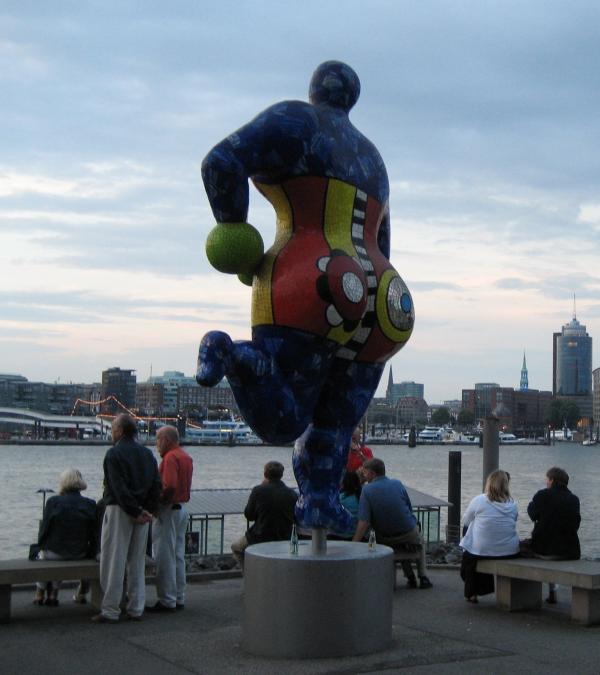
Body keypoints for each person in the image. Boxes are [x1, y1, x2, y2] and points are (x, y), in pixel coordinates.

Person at [196, 61, 414, 534]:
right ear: (352, 96)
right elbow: (383, 239)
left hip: (313, 278)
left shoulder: (296, 121)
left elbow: (221, 161)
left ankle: (232, 354)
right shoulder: (373, 158)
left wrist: (234, 227)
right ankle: (319, 502)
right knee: (335, 422)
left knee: (284, 422)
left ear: (317, 90)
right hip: (383, 299)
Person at [93, 413, 161, 623]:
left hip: (119, 510)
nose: (112, 433)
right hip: (144, 513)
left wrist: (134, 511)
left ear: (120, 431)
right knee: (137, 562)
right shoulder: (147, 454)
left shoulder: (114, 454)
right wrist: (147, 510)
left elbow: (117, 487)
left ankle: (111, 609)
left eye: (113, 429)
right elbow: (156, 485)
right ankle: (136, 608)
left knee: (113, 560)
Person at [352, 458, 432, 589]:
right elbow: (408, 508)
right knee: (418, 541)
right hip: (408, 534)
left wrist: (354, 543)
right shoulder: (397, 484)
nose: (364, 476)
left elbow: (364, 521)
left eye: (365, 473)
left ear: (372, 473)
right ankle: (423, 577)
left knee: (390, 540)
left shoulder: (366, 490)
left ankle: (410, 577)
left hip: (385, 538)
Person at [34, 468, 98, 607]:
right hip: (80, 552)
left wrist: (40, 545)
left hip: (54, 553)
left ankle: (40, 593)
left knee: (44, 556)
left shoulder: (53, 502)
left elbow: (44, 530)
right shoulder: (90, 503)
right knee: (56, 554)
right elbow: (93, 533)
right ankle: (53, 593)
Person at [147, 425, 193, 613]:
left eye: (158, 439)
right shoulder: (186, 457)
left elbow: (170, 486)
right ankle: (179, 596)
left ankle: (167, 599)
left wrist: (158, 504)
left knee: (164, 555)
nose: (156, 444)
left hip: (169, 510)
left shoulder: (170, 458)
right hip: (182, 509)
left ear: (166, 440)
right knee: (178, 555)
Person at [459, 470, 520, 603]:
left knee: (470, 554)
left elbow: (466, 521)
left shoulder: (480, 500)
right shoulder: (513, 503)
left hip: (482, 550)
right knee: (482, 533)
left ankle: (472, 593)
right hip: (509, 551)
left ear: (489, 482)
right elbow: (514, 521)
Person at [524, 466, 581, 603]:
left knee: (521, 548)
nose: (546, 482)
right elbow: (576, 524)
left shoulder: (542, 495)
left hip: (544, 550)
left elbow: (532, 514)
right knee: (552, 541)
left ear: (552, 480)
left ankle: (524, 595)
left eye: (547, 479)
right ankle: (552, 592)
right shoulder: (574, 499)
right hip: (571, 551)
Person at [231, 461, 297, 566]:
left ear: (265, 474)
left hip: (260, 536)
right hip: (284, 537)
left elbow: (249, 515)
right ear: (281, 475)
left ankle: (249, 574)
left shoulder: (258, 490)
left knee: (236, 548)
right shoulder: (292, 493)